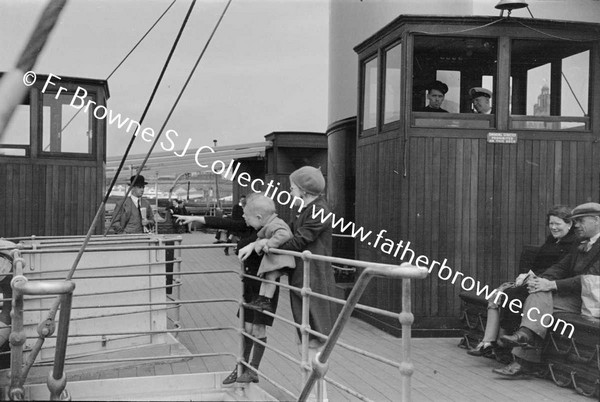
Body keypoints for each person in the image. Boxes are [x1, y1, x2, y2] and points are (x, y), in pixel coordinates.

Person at [174, 200, 279, 385]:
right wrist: (194, 218)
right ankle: (242, 368)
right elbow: (223, 223)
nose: (243, 219)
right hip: (249, 286)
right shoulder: (248, 227)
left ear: (259, 217)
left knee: (257, 328)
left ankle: (252, 370)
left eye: (246, 215)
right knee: (246, 329)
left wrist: (260, 243)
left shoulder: (271, 231)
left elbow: (285, 240)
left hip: (264, 289)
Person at [493, 202, 600, 377]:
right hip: (577, 298)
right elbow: (560, 267)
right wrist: (540, 280)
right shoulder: (582, 242)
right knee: (537, 293)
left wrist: (552, 285)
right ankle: (525, 337)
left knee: (539, 300)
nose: (577, 225)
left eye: (580, 221)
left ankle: (523, 355)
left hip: (594, 300)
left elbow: (589, 279)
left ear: (596, 220)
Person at [467, 206, 578, 360]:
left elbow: (559, 270)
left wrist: (533, 279)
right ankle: (488, 342)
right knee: (497, 294)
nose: (553, 227)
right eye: (551, 223)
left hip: (547, 284)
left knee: (512, 296)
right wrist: (526, 275)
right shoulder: (551, 240)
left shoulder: (573, 244)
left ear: (569, 224)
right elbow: (538, 263)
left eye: (557, 224)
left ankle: (504, 347)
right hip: (535, 279)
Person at [277, 166, 338, 400]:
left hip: (314, 279)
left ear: (304, 190)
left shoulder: (318, 211)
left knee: (314, 340)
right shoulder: (308, 209)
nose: (290, 191)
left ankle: (318, 398)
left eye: (293, 187)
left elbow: (300, 239)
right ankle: (313, 396)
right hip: (306, 278)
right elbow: (295, 236)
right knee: (308, 338)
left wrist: (271, 247)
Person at [239, 195, 295, 313]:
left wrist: (269, 244)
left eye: (249, 219)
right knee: (266, 277)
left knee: (270, 277)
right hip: (276, 260)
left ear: (259, 217)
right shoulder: (271, 224)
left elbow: (284, 235)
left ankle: (265, 301)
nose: (247, 222)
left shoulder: (274, 225)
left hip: (281, 261)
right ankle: (262, 300)